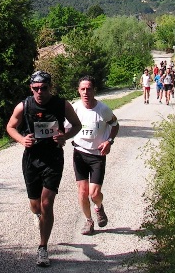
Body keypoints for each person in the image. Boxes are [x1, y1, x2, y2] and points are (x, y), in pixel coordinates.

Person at [6, 70, 81, 267]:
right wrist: (23, 139)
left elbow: (77, 125)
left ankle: (42, 248)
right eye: (36, 88)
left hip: (53, 159)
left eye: (44, 88)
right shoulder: (24, 105)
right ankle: (38, 216)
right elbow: (10, 127)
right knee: (35, 205)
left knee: (47, 203)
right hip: (32, 159)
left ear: (50, 87)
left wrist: (65, 136)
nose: (40, 91)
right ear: (31, 88)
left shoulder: (61, 104)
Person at [70, 75, 119, 235]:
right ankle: (89, 221)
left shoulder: (103, 109)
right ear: (78, 91)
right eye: (82, 89)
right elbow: (65, 128)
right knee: (83, 192)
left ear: (94, 90)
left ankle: (99, 207)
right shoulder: (75, 108)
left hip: (97, 155)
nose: (85, 92)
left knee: (94, 194)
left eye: (88, 89)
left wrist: (109, 141)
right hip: (79, 153)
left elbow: (115, 125)